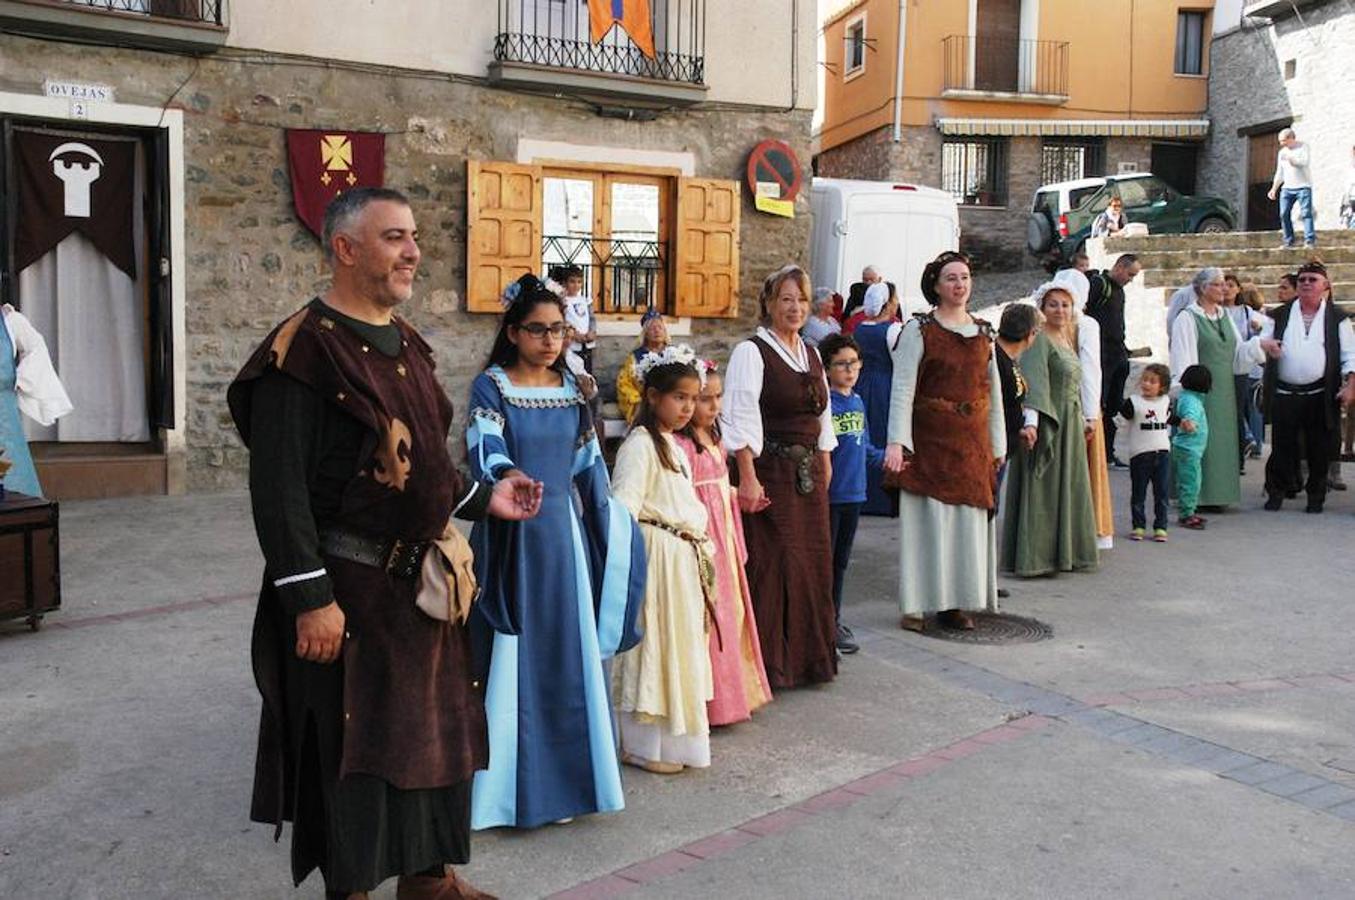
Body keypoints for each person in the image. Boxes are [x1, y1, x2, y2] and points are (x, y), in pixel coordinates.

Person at [226, 188, 544, 900]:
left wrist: (480, 498)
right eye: (395, 237)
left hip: (419, 597)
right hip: (352, 597)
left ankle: (429, 884)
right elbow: (279, 494)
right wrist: (310, 600)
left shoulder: (407, 342)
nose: (413, 252)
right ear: (344, 249)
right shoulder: (302, 354)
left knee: (433, 745)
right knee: (358, 758)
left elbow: (421, 460)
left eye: (413, 236)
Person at [465, 274, 646, 831]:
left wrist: (613, 527)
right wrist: (508, 478)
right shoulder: (491, 387)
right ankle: (502, 793)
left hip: (561, 542)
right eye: (538, 330)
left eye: (559, 330)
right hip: (513, 537)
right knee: (508, 657)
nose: (550, 340)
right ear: (514, 333)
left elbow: (589, 467)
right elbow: (484, 450)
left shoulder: (574, 389)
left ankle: (566, 783)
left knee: (566, 656)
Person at [721, 265, 838, 687]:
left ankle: (809, 659)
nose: (795, 307)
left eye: (802, 300)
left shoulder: (811, 352)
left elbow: (823, 413)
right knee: (777, 563)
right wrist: (747, 476)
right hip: (770, 470)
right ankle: (770, 664)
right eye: (786, 299)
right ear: (769, 303)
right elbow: (739, 416)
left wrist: (826, 458)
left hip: (808, 474)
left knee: (812, 562)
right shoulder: (751, 352)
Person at [883, 250, 1006, 631]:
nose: (959, 284)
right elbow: (902, 388)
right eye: (951, 278)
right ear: (936, 286)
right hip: (930, 441)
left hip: (971, 444)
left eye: (965, 277)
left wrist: (998, 444)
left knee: (966, 526)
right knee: (929, 525)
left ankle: (954, 603)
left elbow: (995, 391)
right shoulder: (920, 331)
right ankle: (917, 605)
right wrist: (897, 443)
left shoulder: (984, 332)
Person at [611, 345, 715, 773]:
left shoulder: (673, 445)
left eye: (694, 398)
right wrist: (637, 570)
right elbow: (623, 508)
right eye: (679, 398)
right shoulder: (640, 445)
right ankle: (641, 745)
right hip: (656, 566)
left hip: (680, 565)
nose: (688, 407)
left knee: (677, 651)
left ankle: (672, 745)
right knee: (652, 651)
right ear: (652, 396)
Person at [677, 362, 774, 724]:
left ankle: (734, 696)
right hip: (705, 537)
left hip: (725, 538)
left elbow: (717, 486)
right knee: (709, 615)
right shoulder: (683, 445)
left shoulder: (715, 439)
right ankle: (710, 703)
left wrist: (737, 496)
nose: (713, 406)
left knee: (731, 613)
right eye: (704, 399)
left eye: (717, 398)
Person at [1001, 282, 1099, 577]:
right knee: (1043, 487)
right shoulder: (1040, 339)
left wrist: (1084, 417)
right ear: (1042, 309)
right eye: (1053, 304)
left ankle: (1064, 552)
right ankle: (1037, 556)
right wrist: (1032, 422)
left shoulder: (1067, 338)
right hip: (1048, 419)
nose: (1060, 310)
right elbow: (1033, 383)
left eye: (1065, 304)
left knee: (1068, 487)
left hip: (1070, 419)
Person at [1169, 266, 1278, 509]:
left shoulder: (1224, 316)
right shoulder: (1187, 317)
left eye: (1224, 284)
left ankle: (1218, 494)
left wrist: (1261, 345)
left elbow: (1238, 354)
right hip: (1200, 394)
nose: (1223, 288)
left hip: (1225, 392)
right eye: (1217, 284)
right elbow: (1183, 359)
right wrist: (1186, 397)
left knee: (1222, 441)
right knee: (1199, 441)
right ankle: (1195, 496)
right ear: (1202, 288)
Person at [1261, 260, 1355, 513]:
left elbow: (1350, 355)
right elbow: (1261, 341)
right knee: (1282, 446)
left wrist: (1350, 386)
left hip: (1320, 395)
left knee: (1318, 449)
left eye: (1312, 279)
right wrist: (1266, 345)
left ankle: (1316, 496)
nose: (1306, 283)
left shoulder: (1338, 318)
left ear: (1325, 286)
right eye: (1302, 279)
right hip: (1284, 393)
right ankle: (1277, 493)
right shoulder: (1278, 314)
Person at [818, 333, 884, 652]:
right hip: (832, 495)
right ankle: (823, 622)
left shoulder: (857, 401)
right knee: (826, 562)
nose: (849, 369)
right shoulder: (826, 404)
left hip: (855, 494)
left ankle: (835, 616)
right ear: (828, 368)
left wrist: (891, 458)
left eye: (854, 363)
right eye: (841, 364)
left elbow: (867, 446)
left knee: (841, 562)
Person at [1054, 267, 1114, 550]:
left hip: (1053, 404)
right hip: (1078, 401)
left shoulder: (1050, 323)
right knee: (1085, 469)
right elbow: (1090, 369)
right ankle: (1087, 530)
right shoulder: (1086, 324)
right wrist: (1091, 413)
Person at [0, 303, 72, 497]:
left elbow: (36, 347)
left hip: (3, 419)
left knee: (12, 487)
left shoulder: (9, 320)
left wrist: (19, 378)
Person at [851, 281, 903, 516]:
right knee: (882, 436)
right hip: (885, 386)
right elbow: (899, 363)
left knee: (865, 437)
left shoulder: (860, 327)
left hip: (863, 384)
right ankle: (881, 499)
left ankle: (863, 494)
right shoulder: (892, 331)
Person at [1085, 253, 1142, 467]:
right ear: (1119, 267)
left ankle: (1108, 452)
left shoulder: (1119, 291)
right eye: (1130, 274)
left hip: (1118, 353)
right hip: (1101, 354)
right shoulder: (1099, 285)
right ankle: (1097, 453)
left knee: (1114, 406)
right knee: (1100, 403)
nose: (1130, 279)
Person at [1118, 363, 1174, 542]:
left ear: (1162, 386)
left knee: (1162, 492)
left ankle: (1161, 527)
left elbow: (1169, 417)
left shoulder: (1165, 402)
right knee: (1139, 493)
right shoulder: (1133, 403)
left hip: (1162, 453)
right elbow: (1121, 417)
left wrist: (1184, 423)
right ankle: (1138, 526)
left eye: (1152, 381)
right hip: (1140, 455)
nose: (1147, 384)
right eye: (1145, 380)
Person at [1172, 364, 1212, 530]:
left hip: (1187, 448)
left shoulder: (1186, 397)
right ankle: (1187, 514)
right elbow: (1190, 419)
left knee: (1188, 481)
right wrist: (1191, 425)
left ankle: (1188, 511)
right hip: (1189, 449)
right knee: (1191, 482)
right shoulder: (1192, 401)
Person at [616, 307, 669, 423]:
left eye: (660, 327)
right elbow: (624, 384)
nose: (657, 331)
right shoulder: (635, 357)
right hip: (646, 404)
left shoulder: (674, 354)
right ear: (645, 333)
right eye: (652, 328)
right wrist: (637, 401)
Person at [1237, 283, 1270, 460]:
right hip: (1258, 369)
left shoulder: (1248, 317)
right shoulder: (1263, 316)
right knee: (1255, 408)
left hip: (1247, 369)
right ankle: (1256, 442)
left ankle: (1249, 438)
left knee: (1240, 407)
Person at [1268, 128, 1315, 249]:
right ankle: (1289, 241)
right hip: (1287, 188)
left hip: (1303, 186)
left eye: (1283, 141)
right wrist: (1274, 189)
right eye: (1280, 141)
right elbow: (1280, 172)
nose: (1281, 144)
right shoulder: (1282, 152)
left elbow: (1304, 162)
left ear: (1291, 139)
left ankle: (1309, 241)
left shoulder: (1303, 147)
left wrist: (1291, 159)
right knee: (1284, 213)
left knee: (1306, 213)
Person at [555, 265, 596, 374]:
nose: (576, 285)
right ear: (564, 283)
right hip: (571, 345)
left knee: (586, 373)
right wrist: (573, 334)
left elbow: (592, 319)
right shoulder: (562, 302)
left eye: (579, 282)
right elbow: (561, 320)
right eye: (572, 282)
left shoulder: (585, 301)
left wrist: (592, 332)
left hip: (586, 345)